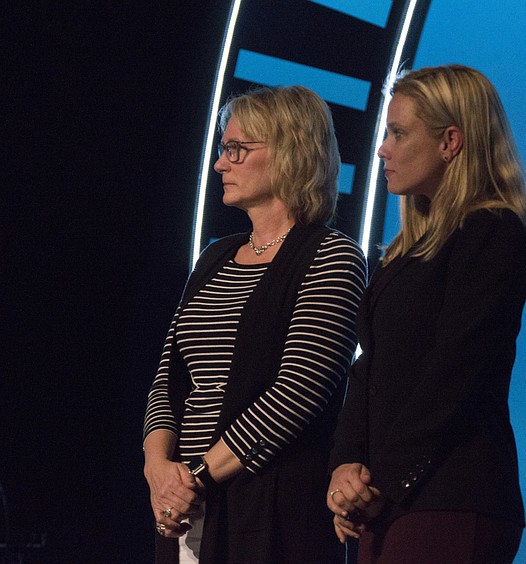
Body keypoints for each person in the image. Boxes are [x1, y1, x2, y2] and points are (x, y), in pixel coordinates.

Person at [325, 64, 526, 563]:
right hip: (390, 503)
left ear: (450, 141)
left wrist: (378, 483)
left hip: (452, 497)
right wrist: (346, 468)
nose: (382, 149)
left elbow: (454, 374)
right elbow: (370, 368)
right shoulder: (406, 250)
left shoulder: (492, 232)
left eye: (398, 133)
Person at [143, 85, 367, 563]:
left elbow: (298, 392)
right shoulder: (215, 257)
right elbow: (169, 378)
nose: (219, 164)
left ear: (289, 152)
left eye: (235, 149)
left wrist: (196, 478)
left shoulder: (331, 256)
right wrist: (157, 470)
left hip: (269, 514)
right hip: (183, 511)